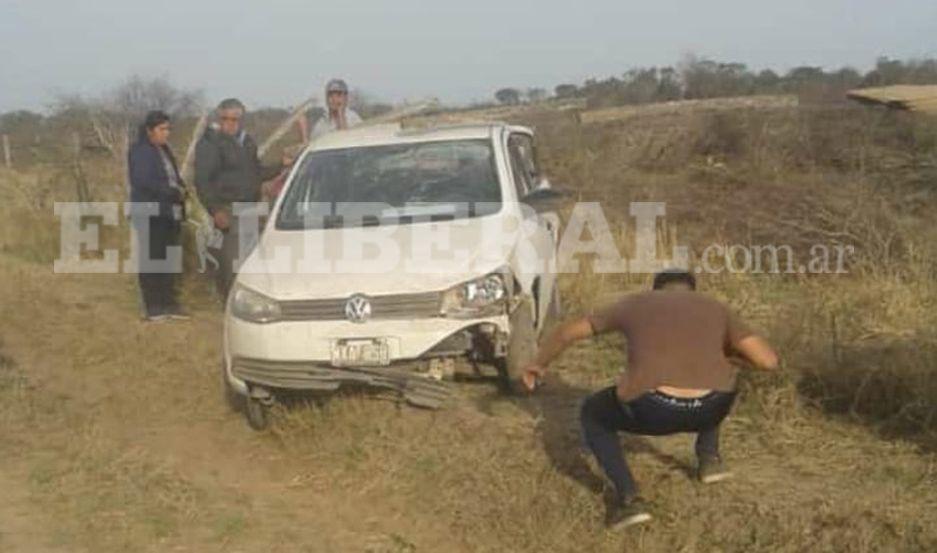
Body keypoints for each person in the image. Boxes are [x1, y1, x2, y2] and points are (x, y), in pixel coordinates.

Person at [522, 270, 779, 530]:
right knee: (720, 380)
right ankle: (709, 459)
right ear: (693, 291)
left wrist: (538, 364)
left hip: (652, 409)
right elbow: (768, 361)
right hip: (710, 410)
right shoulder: (717, 308)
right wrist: (729, 358)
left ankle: (629, 499)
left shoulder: (637, 303)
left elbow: (568, 332)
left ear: (655, 290)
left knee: (592, 411)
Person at [194, 98, 284, 300]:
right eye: (226, 119)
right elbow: (202, 181)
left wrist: (281, 165)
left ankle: (243, 302)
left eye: (235, 119)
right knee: (232, 263)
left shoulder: (246, 142)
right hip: (228, 210)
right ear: (219, 118)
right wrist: (215, 210)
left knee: (249, 262)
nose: (230, 123)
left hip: (250, 209)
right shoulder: (210, 143)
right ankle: (229, 305)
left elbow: (256, 173)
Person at [127, 110, 188, 321]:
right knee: (152, 258)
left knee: (168, 258)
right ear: (149, 130)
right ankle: (153, 306)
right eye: (162, 129)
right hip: (150, 210)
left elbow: (173, 177)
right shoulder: (141, 151)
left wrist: (181, 189)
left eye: (168, 129)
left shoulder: (164, 150)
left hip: (169, 211)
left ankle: (169, 304)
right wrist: (170, 191)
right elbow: (143, 181)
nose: (166, 133)